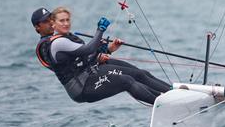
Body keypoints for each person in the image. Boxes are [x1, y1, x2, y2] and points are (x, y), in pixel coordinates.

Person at [33, 6, 171, 105]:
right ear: (37, 27)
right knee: (127, 81)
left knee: (140, 74)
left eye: (67, 20)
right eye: (46, 22)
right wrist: (100, 29)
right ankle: (164, 105)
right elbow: (88, 50)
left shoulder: (64, 38)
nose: (50, 23)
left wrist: (107, 50)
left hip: (90, 73)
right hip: (81, 87)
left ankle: (172, 93)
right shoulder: (56, 43)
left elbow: (82, 59)